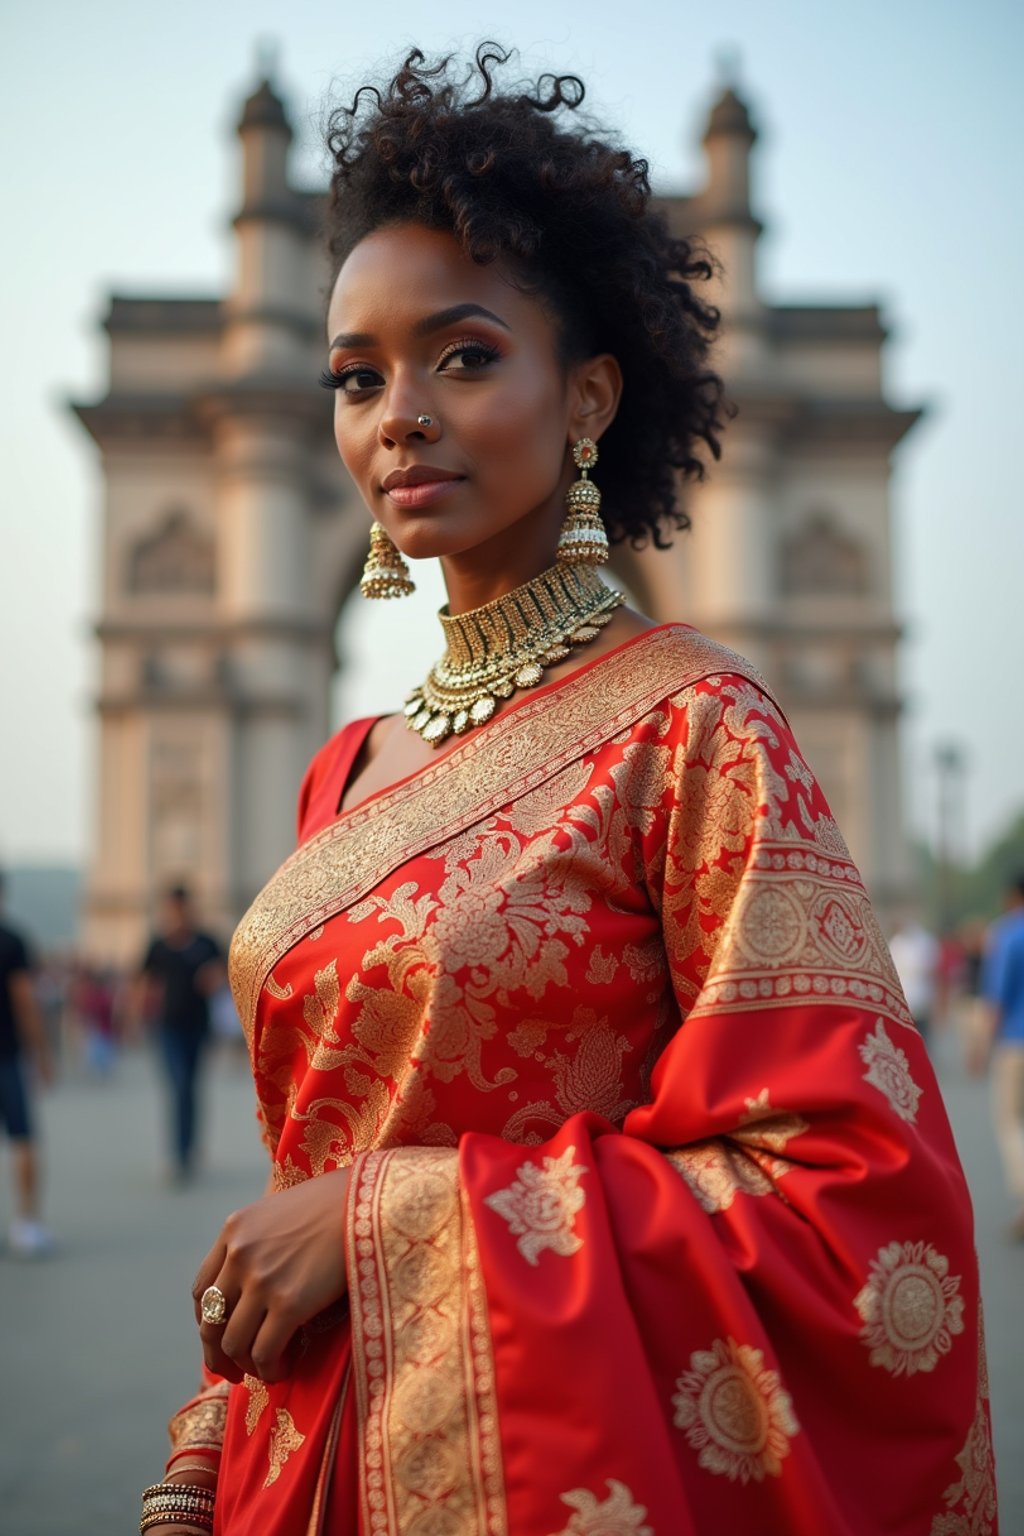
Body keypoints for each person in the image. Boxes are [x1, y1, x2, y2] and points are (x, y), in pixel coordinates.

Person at [143, 45, 995, 1536]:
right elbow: (314, 1158)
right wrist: (208, 1442)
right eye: (356, 376)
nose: (399, 412)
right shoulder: (345, 772)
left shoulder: (700, 732)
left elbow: (851, 1210)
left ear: (588, 394)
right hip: (300, 1466)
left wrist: (384, 1228)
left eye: (464, 356)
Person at [139, 884, 225, 1184]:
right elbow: (144, 983)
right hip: (167, 1027)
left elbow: (225, 974)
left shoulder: (207, 943)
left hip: (199, 1026)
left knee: (190, 1088)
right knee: (178, 1087)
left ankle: (188, 1149)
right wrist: (135, 1017)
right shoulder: (158, 946)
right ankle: (178, 1154)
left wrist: (216, 978)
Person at [0, 871, 55, 1256]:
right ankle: (27, 1223)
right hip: (6, 1055)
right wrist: (42, 1054)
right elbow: (24, 1002)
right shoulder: (12, 942)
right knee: (23, 1138)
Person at [974, 875, 1024, 1240]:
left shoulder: (1007, 934)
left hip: (1015, 1042)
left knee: (1012, 1123)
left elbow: (995, 999)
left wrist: (979, 1046)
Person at [888, 912, 941, 1048]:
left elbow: (934, 974)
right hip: (905, 1004)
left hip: (921, 1002)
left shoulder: (925, 942)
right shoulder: (896, 942)